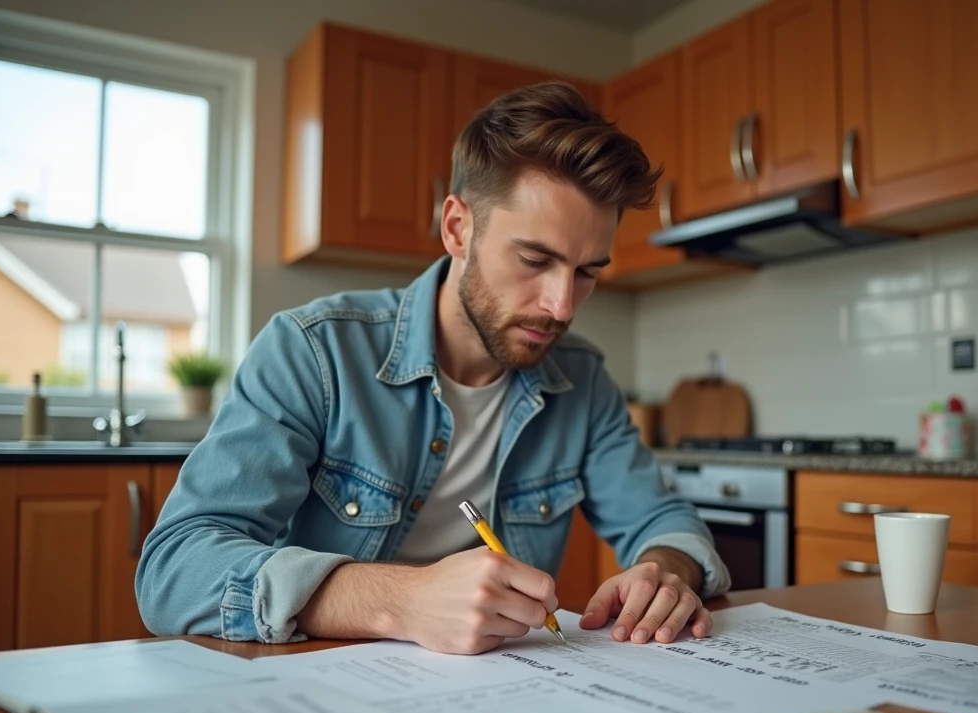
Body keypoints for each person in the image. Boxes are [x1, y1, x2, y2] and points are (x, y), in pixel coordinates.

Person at [136, 81, 731, 655]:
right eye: (534, 259)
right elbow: (174, 568)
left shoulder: (583, 379)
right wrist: (403, 599)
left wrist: (666, 571)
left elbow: (662, 518)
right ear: (457, 228)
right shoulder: (313, 352)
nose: (562, 305)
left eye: (587, 272)